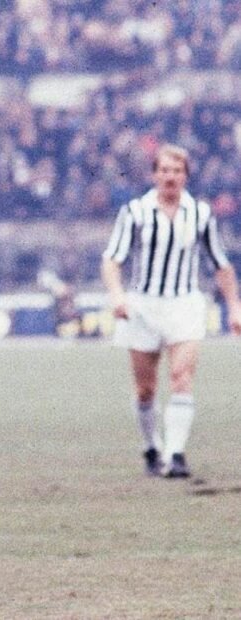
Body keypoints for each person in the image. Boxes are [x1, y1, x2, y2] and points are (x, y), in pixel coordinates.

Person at [101, 143, 241, 479]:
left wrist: (235, 307)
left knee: (181, 377)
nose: (170, 177)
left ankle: (175, 454)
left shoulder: (200, 214)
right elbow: (112, 259)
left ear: (185, 176)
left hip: (184, 304)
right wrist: (117, 295)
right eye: (164, 170)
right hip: (143, 306)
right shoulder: (135, 212)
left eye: (177, 171)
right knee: (145, 389)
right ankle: (152, 447)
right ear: (154, 174)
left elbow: (221, 265)